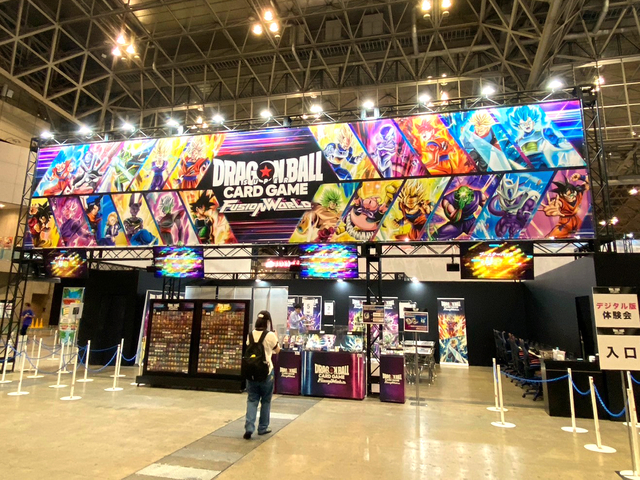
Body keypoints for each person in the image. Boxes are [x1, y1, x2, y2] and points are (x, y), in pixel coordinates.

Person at [244, 311, 280, 440]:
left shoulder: (250, 335)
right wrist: (276, 337)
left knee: (252, 400)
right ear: (267, 322)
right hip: (266, 373)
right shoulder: (270, 335)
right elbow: (277, 350)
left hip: (251, 372)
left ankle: (249, 428)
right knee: (265, 401)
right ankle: (263, 427)